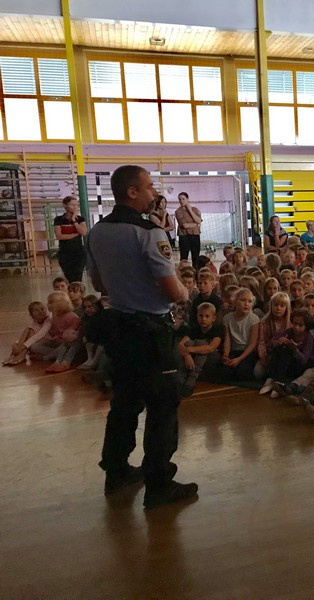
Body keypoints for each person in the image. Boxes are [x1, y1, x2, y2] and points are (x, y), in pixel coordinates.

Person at [86, 164, 197, 509]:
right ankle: (159, 484)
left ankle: (117, 471)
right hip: (151, 332)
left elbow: (100, 284)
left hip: (119, 328)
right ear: (131, 192)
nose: (154, 192)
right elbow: (171, 291)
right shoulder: (150, 233)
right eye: (149, 186)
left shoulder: (97, 232)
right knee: (162, 407)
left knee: (124, 404)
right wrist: (184, 291)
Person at [54, 195, 88, 283]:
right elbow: (59, 236)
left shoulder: (80, 219)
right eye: (72, 205)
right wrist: (76, 234)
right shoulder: (59, 220)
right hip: (65, 253)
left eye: (76, 205)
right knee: (69, 277)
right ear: (65, 206)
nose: (75, 207)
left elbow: (83, 232)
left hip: (78, 252)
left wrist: (74, 220)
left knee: (78, 276)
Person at [174, 191, 202, 267]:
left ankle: (196, 271)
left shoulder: (195, 209)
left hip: (195, 235)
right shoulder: (178, 211)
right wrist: (195, 224)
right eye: (179, 199)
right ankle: (184, 272)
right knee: (184, 257)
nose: (181, 201)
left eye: (183, 199)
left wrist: (190, 210)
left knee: (196, 257)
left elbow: (199, 220)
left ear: (187, 199)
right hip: (184, 235)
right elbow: (185, 225)